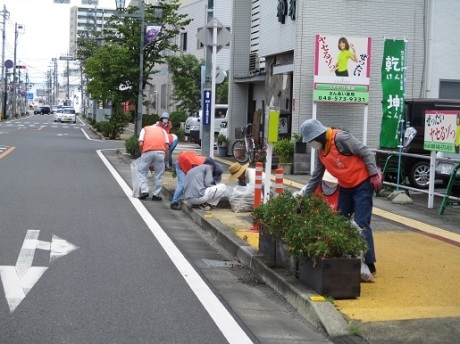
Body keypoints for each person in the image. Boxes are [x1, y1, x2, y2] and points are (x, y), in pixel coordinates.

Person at [296, 118, 382, 274]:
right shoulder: (321, 151)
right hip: (346, 187)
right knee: (340, 221)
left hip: (362, 184)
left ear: (319, 135)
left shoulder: (341, 138)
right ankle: (346, 256)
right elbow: (316, 176)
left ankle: (369, 264)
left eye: (312, 140)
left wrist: (373, 174)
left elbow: (366, 152)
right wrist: (304, 198)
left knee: (361, 224)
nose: (312, 144)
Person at [137, 123, 169, 201]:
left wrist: (142, 152)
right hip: (160, 152)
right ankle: (156, 195)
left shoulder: (145, 129)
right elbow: (166, 146)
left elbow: (141, 143)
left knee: (142, 171)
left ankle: (144, 191)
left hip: (147, 152)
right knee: (159, 174)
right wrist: (165, 158)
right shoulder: (163, 130)